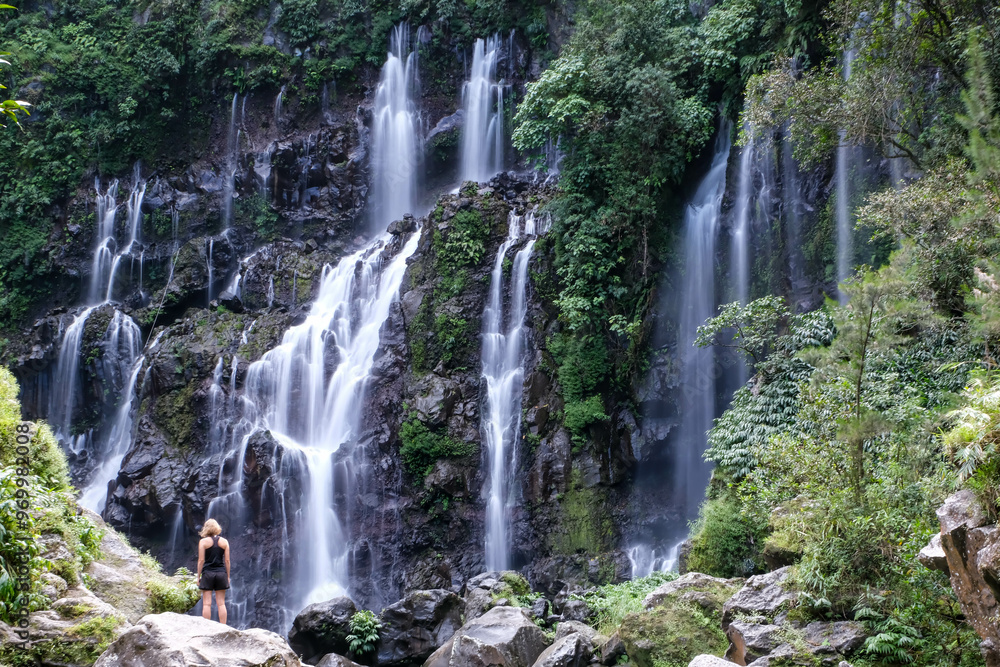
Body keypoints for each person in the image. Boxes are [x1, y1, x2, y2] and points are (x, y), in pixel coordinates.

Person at [196, 518, 230, 625]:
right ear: (217, 528)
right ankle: (223, 627)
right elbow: (227, 561)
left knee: (206, 604)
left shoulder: (203, 542)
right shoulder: (224, 542)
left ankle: (207, 627)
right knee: (221, 604)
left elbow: (201, 560)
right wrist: (228, 576)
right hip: (221, 573)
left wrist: (198, 576)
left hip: (208, 574)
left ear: (206, 529)